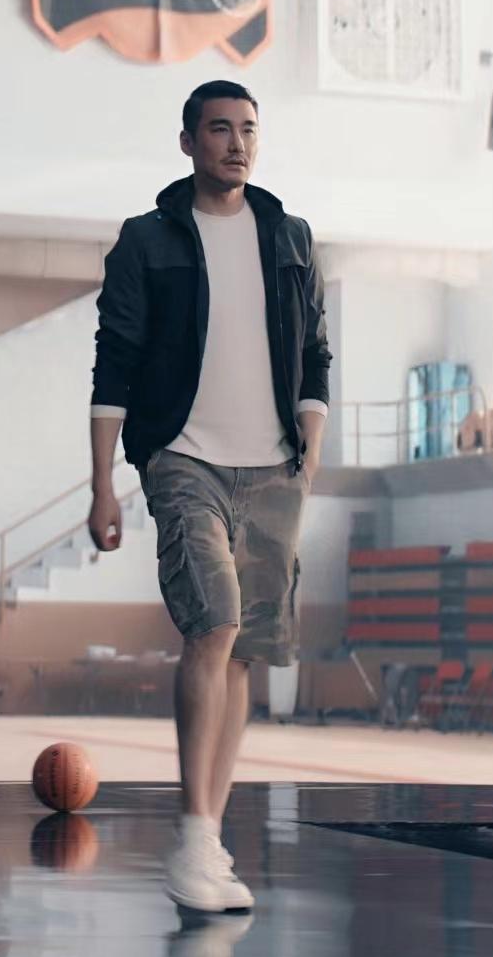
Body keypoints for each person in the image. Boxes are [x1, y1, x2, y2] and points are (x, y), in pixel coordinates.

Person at [88, 79, 330, 912]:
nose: (236, 143)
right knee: (213, 624)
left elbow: (316, 354)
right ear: (188, 141)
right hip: (182, 457)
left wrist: (309, 454)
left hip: (273, 467)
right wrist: (103, 484)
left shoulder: (290, 237)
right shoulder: (147, 239)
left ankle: (210, 837)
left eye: (248, 130)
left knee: (244, 651)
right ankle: (191, 838)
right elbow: (113, 362)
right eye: (219, 129)